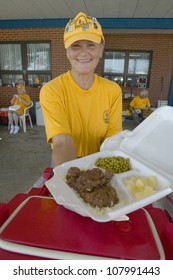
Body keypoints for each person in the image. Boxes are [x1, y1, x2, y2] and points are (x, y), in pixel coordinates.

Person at [40, 11, 123, 168]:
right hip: (66, 160)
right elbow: (62, 141)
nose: (84, 52)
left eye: (91, 45)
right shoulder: (52, 90)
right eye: (75, 45)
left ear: (100, 49)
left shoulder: (113, 90)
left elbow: (113, 139)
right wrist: (72, 178)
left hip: (100, 158)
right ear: (67, 51)